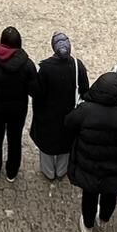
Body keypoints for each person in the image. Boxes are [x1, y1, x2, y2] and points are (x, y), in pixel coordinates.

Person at [65, 71, 117, 232]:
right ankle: (103, 223)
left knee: (89, 197)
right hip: (115, 169)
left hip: (88, 167)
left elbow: (68, 125)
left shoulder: (85, 110)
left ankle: (87, 229)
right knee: (110, 196)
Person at [0, 27, 37, 182]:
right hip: (18, 109)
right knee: (15, 140)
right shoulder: (27, 64)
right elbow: (34, 90)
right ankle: (12, 172)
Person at [31, 32, 87, 180]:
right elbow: (85, 91)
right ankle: (62, 171)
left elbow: (37, 94)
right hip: (69, 115)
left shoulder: (44, 68)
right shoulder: (77, 65)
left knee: (47, 146)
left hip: (47, 116)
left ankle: (49, 172)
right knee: (66, 145)